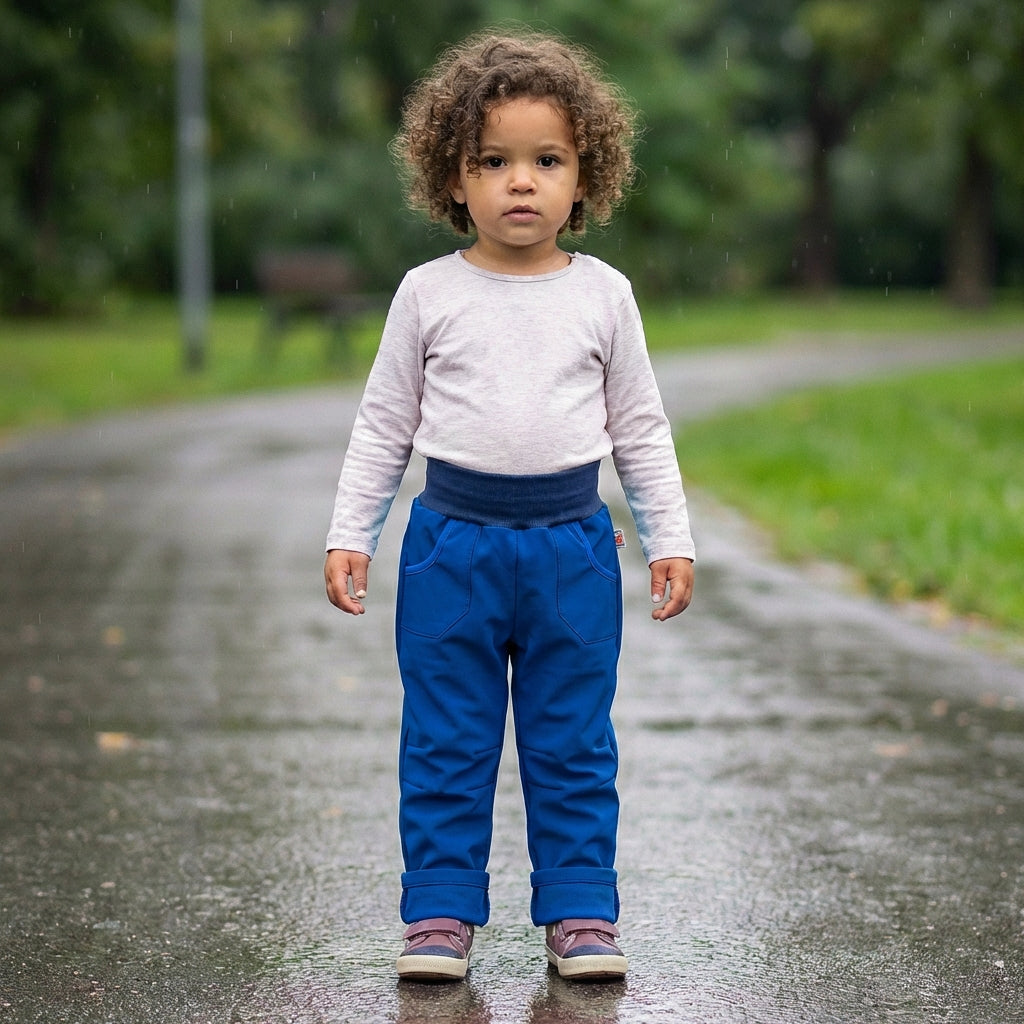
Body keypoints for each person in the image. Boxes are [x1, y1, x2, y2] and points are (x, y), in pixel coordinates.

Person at [324, 29, 695, 983]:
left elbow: (642, 429)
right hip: (451, 547)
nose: (520, 182)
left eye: (546, 160)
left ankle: (579, 913)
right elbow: (382, 427)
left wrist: (669, 538)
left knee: (572, 740)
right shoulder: (427, 295)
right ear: (455, 175)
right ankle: (439, 915)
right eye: (494, 161)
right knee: (447, 736)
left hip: (572, 547)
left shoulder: (604, 297)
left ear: (587, 176)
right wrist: (349, 533)